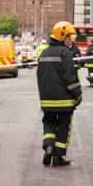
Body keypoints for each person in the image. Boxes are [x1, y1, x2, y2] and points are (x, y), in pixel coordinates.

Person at [36, 22, 81, 167]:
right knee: (63, 126)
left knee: (48, 123)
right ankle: (58, 157)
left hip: (47, 100)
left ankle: (48, 145)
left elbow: (40, 76)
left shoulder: (44, 53)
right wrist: (77, 94)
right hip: (64, 100)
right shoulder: (65, 53)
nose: (71, 40)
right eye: (69, 37)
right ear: (61, 37)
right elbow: (70, 76)